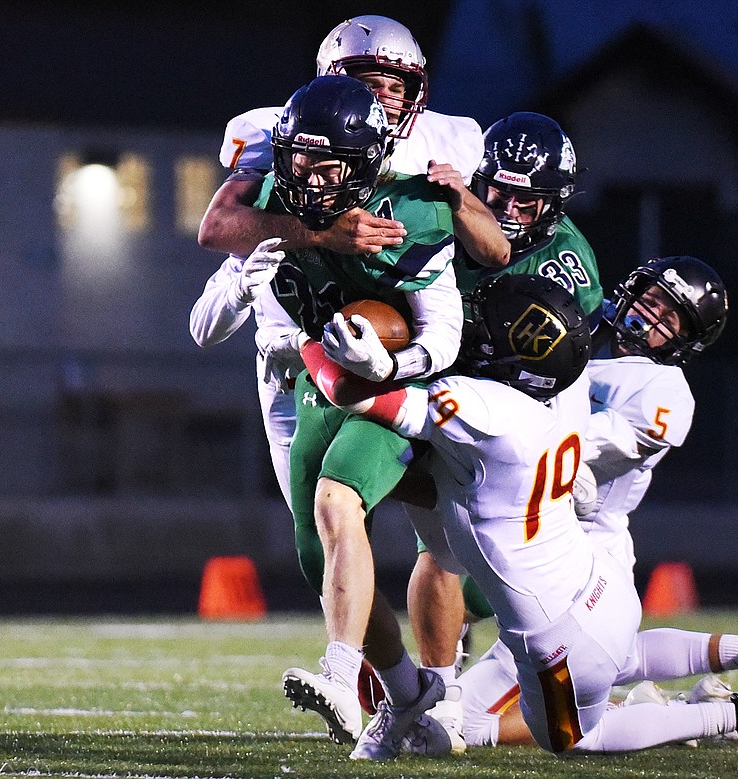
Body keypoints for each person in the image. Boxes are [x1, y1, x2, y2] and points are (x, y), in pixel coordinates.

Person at [298, 272, 738, 759]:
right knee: (618, 657)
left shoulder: (487, 406)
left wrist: (307, 339)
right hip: (598, 582)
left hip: (556, 621)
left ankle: (731, 717)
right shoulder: (558, 399)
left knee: (558, 734)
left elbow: (356, 397)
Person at [188, 14, 509, 746]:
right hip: (293, 358)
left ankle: (450, 687)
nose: (384, 100)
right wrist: (313, 237)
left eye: (397, 86)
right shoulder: (281, 132)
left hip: (395, 344)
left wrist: (459, 198)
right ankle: (405, 693)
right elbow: (222, 225)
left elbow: (490, 250)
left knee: (444, 540)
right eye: (366, 83)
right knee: (317, 542)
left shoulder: (445, 148)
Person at [451, 256, 738, 750]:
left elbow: (561, 448)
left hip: (578, 555)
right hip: (559, 550)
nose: (648, 317)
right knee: (617, 659)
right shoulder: (579, 329)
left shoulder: (664, 390)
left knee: (527, 728)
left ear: (685, 340)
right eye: (650, 300)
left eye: (667, 318)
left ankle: (735, 716)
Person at [253, 74, 465, 760]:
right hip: (323, 372)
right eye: (296, 159)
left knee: (339, 497)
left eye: (324, 164)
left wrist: (385, 365)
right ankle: (409, 696)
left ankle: (345, 677)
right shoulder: (279, 203)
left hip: (391, 383)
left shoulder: (415, 212)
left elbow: (445, 334)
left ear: (367, 164)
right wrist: (300, 339)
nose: (304, 176)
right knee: (316, 548)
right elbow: (274, 316)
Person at [399, 111, 604, 750]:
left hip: (525, 403)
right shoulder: (453, 210)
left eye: (527, 198)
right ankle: (440, 687)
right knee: (441, 552)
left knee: (527, 553)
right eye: (500, 190)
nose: (510, 207)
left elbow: (563, 367)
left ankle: (558, 676)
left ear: (554, 201)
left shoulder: (566, 260)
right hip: (444, 384)